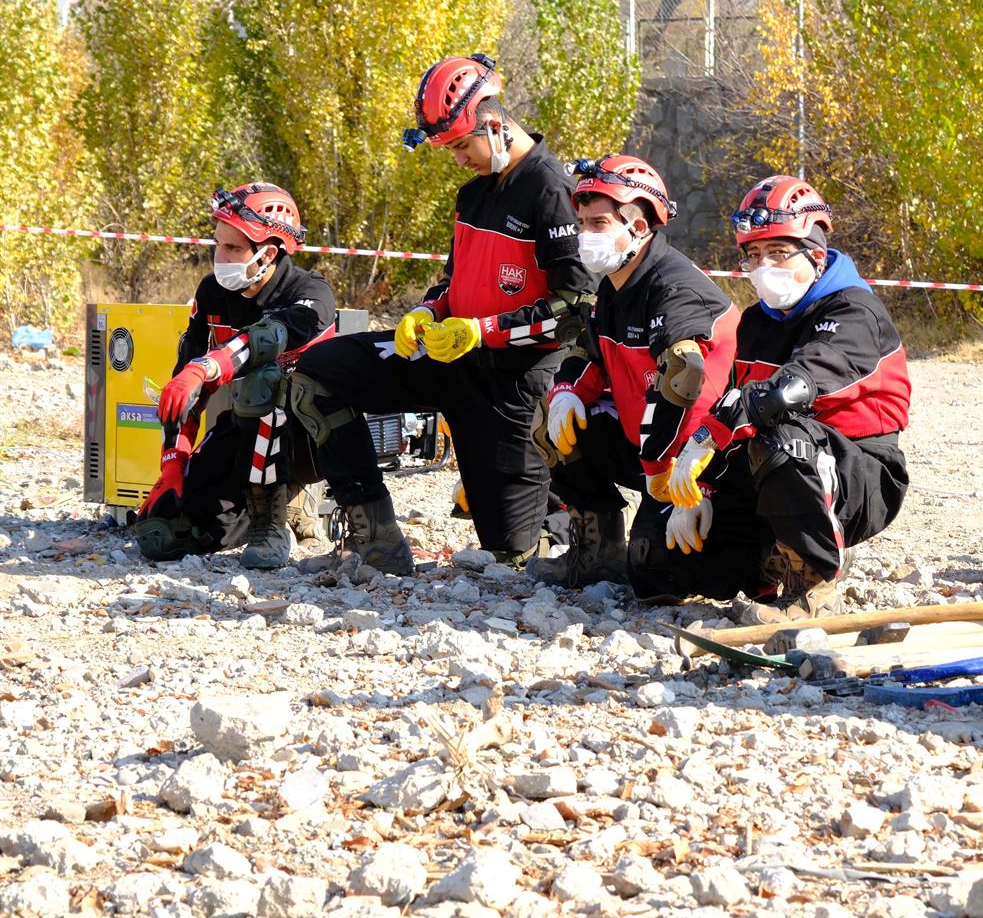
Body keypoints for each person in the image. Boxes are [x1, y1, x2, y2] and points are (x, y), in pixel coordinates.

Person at [289, 53, 594, 573]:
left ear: (494, 126)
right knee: (318, 373)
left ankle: (559, 516)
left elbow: (576, 308)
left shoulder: (554, 191)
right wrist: (426, 312)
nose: (458, 160)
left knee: (509, 557)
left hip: (515, 380)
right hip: (452, 358)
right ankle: (376, 537)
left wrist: (483, 331)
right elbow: (453, 282)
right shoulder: (472, 195)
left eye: (460, 146)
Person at [663, 176, 912, 621]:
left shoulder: (854, 312)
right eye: (754, 255)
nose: (764, 267)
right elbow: (735, 397)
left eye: (778, 252)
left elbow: (790, 389)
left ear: (815, 254)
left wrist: (708, 436)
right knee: (662, 570)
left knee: (782, 434)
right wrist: (703, 487)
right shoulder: (756, 322)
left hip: (857, 470)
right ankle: (769, 561)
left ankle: (814, 583)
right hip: (772, 467)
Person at [531, 155, 741, 600]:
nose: (585, 234)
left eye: (599, 223)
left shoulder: (674, 287)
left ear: (639, 227)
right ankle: (598, 551)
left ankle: (771, 547)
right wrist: (567, 393)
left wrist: (659, 467)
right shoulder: (615, 282)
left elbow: (684, 376)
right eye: (582, 223)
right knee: (550, 419)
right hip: (650, 446)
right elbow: (588, 353)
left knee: (655, 579)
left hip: (701, 456)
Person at [136, 182, 335, 568]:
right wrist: (173, 462)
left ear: (268, 253)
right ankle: (268, 504)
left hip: (313, 436)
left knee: (265, 381)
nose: (219, 257)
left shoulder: (310, 292)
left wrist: (209, 366)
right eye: (218, 244)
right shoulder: (212, 294)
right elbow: (186, 385)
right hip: (248, 425)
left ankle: (271, 523)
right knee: (164, 532)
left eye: (232, 248)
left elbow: (266, 339)